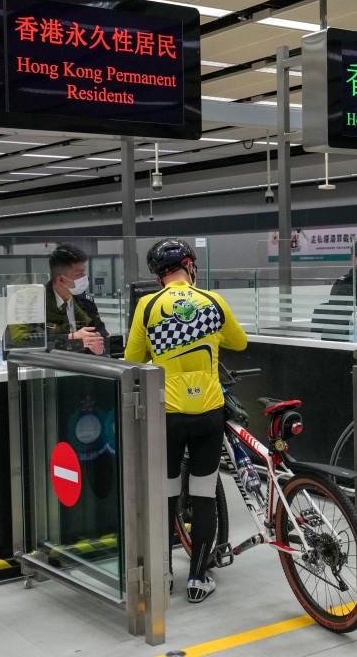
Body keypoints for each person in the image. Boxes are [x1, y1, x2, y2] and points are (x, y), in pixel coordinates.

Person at [124, 238, 247, 603]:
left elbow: (133, 358)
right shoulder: (212, 301)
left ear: (159, 275)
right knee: (204, 494)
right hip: (209, 411)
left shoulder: (147, 306)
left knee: (166, 494)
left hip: (168, 415)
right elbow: (238, 344)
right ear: (190, 266)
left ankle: (163, 576)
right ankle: (197, 579)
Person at [9, 244, 106, 354]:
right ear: (61, 280)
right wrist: (71, 338)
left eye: (84, 271)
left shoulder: (86, 303)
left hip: (81, 366)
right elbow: (25, 340)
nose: (85, 277)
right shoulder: (32, 303)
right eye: (79, 274)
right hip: (45, 366)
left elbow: (103, 335)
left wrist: (99, 346)